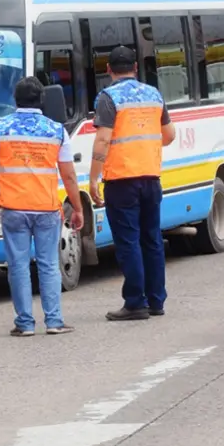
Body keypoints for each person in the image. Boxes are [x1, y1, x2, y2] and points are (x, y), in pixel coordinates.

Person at [0, 77, 84, 337]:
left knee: (19, 266)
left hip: (13, 208)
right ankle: (54, 322)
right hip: (46, 209)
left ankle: (24, 324)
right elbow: (68, 176)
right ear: (42, 100)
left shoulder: (1, 126)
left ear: (15, 99)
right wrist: (77, 208)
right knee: (48, 265)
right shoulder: (56, 130)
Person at [89, 46, 176, 322]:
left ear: (108, 69)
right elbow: (169, 135)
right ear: (136, 68)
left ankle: (135, 302)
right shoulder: (154, 94)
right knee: (152, 240)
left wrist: (93, 178)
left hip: (121, 179)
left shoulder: (108, 97)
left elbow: (103, 139)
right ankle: (156, 300)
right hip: (151, 176)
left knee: (128, 242)